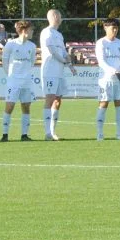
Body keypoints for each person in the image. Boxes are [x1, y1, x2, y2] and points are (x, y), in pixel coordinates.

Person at [0, 20, 38, 141]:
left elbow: (32, 62)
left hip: (26, 81)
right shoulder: (11, 44)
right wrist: (11, 76)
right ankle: (5, 135)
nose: (32, 32)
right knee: (10, 106)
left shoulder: (32, 46)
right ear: (24, 30)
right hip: (14, 81)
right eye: (31, 30)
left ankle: (24, 134)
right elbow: (5, 62)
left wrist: (26, 74)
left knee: (26, 107)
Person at [94, 17, 120, 141]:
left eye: (116, 28)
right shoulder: (101, 43)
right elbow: (101, 61)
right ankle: (100, 134)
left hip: (119, 79)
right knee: (103, 104)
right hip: (105, 80)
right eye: (112, 27)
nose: (115, 30)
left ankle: (119, 134)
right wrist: (113, 71)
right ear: (105, 27)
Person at [40, 9, 70, 141]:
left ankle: (53, 132)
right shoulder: (47, 32)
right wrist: (63, 60)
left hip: (60, 72)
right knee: (50, 98)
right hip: (50, 71)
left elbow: (63, 51)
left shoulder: (59, 35)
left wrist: (69, 63)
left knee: (58, 100)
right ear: (55, 16)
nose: (61, 18)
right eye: (60, 15)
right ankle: (47, 132)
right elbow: (52, 51)